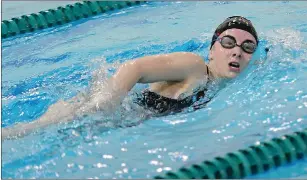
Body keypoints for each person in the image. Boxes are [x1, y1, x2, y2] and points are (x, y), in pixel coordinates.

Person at [2, 16, 259, 140]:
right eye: (228, 42)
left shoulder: (219, 84)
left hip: (116, 121)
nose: (237, 50)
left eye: (248, 47)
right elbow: (134, 68)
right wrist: (104, 104)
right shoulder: (194, 66)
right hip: (91, 109)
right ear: (212, 50)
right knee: (19, 134)